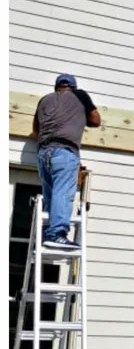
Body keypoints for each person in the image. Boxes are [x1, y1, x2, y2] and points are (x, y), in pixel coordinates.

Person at [31, 73, 101, 248]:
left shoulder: (44, 100)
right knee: (62, 193)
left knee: (51, 195)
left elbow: (36, 128)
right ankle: (56, 234)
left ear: (56, 87)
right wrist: (79, 116)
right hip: (64, 151)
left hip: (43, 153)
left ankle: (46, 233)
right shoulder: (80, 95)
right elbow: (96, 120)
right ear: (73, 87)